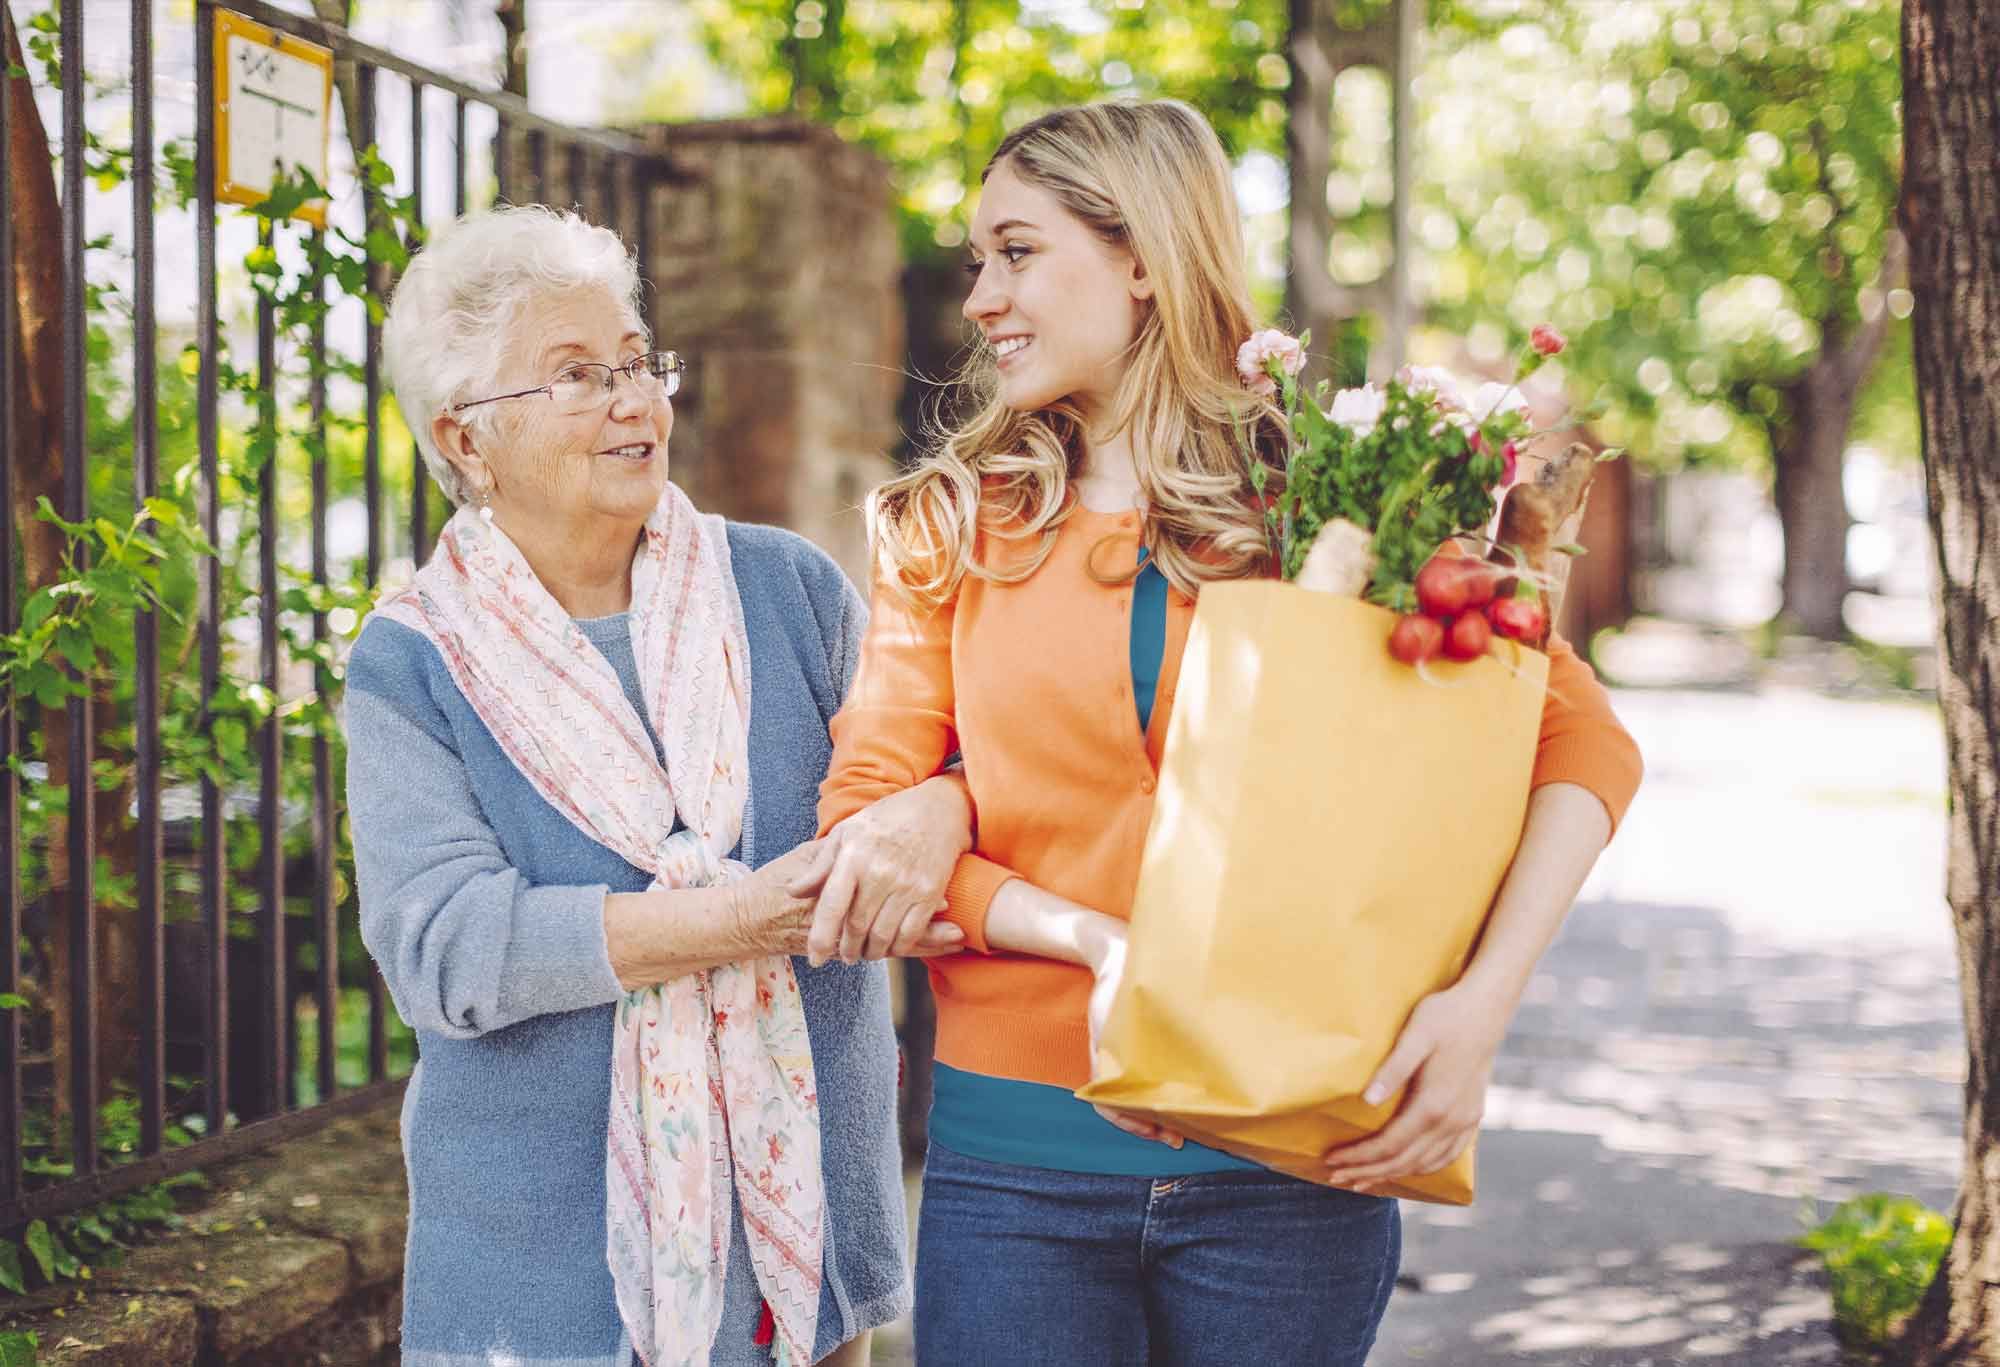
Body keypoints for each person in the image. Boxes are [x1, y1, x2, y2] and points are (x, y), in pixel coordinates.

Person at [808, 101, 1645, 1366]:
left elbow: (1577, 743)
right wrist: (1092, 939)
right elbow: (860, 837)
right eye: (978, 259)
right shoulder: (948, 522)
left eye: (1016, 252)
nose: (980, 297)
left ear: (1142, 257)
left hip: (1291, 1150)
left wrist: (1476, 1009)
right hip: (1015, 1166)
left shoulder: (1341, 497)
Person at [345, 205, 968, 1367]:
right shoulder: (413, 658)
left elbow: (934, 778)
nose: (635, 401)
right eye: (579, 375)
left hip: (804, 1250)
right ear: (466, 438)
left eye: (637, 362)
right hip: (542, 1279)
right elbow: (447, 947)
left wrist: (942, 798)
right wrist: (737, 918)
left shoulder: (788, 589)